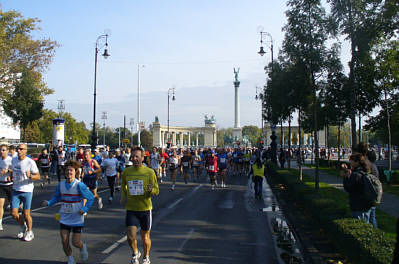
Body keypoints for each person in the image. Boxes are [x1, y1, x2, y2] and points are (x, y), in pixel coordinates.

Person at [42, 160, 94, 264]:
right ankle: (70, 259)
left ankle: (82, 246)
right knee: (64, 241)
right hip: (64, 216)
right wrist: (48, 202)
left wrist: (84, 209)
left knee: (75, 242)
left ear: (76, 172)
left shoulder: (79, 185)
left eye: (71, 170)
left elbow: (91, 198)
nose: (69, 173)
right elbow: (57, 197)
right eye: (67, 171)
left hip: (77, 217)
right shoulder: (61, 184)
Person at [120, 147, 159, 264]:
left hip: (145, 209)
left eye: (137, 156)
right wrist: (123, 196)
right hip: (131, 208)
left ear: (143, 158)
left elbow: (157, 190)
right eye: (133, 156)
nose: (134, 158)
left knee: (145, 237)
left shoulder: (149, 172)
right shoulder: (127, 172)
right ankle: (135, 252)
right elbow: (123, 185)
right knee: (131, 236)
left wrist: (151, 190)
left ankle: (146, 257)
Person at [10, 143, 41, 241]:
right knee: (14, 213)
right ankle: (24, 226)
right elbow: (13, 171)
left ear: (25, 151)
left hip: (27, 190)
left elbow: (38, 176)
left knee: (26, 214)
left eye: (21, 149)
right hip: (16, 189)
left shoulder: (30, 162)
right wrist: (10, 176)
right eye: (17, 149)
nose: (18, 150)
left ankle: (30, 232)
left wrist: (30, 176)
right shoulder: (14, 160)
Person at [342, 153, 371, 223]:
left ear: (357, 162)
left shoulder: (356, 175)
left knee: (360, 223)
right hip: (366, 204)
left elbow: (348, 187)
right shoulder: (365, 171)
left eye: (351, 161)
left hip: (358, 204)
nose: (350, 163)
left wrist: (346, 177)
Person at [0, 144, 12, 230]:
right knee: (0, 205)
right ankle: (0, 222)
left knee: (14, 207)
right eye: (1, 150)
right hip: (1, 184)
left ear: (7, 151)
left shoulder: (10, 160)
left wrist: (8, 171)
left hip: (10, 185)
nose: (2, 152)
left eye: (4, 150)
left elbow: (15, 170)